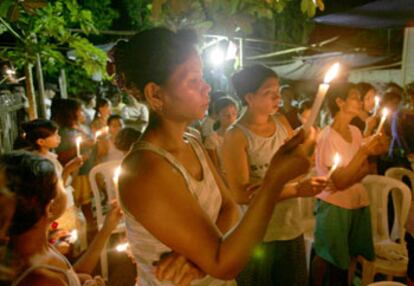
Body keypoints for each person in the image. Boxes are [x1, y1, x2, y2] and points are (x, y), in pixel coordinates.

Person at [114, 27, 320, 286]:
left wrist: (198, 261)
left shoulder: (191, 142)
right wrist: (274, 180)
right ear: (155, 94)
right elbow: (224, 264)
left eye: (203, 77)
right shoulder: (146, 169)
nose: (207, 87)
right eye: (193, 81)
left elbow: (229, 207)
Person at [222, 64, 327, 286]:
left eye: (278, 91)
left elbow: (291, 165)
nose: (278, 97)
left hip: (290, 227)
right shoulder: (237, 137)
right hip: (258, 235)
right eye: (269, 93)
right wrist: (296, 189)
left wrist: (308, 143)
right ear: (249, 97)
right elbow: (242, 195)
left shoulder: (281, 123)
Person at [1, 151, 122, 286]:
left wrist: (106, 229)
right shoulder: (40, 280)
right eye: (60, 183)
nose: (65, 185)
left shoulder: (36, 248)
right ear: (50, 207)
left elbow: (70, 276)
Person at [312, 82, 389, 286]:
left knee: (351, 255)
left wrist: (354, 171)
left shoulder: (355, 131)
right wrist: (362, 156)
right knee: (334, 261)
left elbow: (365, 170)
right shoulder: (328, 137)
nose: (360, 101)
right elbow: (340, 180)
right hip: (335, 207)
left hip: (356, 202)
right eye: (354, 96)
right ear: (340, 102)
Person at [204, 96, 238, 174]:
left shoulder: (241, 135)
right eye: (226, 115)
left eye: (234, 114)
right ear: (216, 116)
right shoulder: (212, 139)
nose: (231, 118)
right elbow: (214, 168)